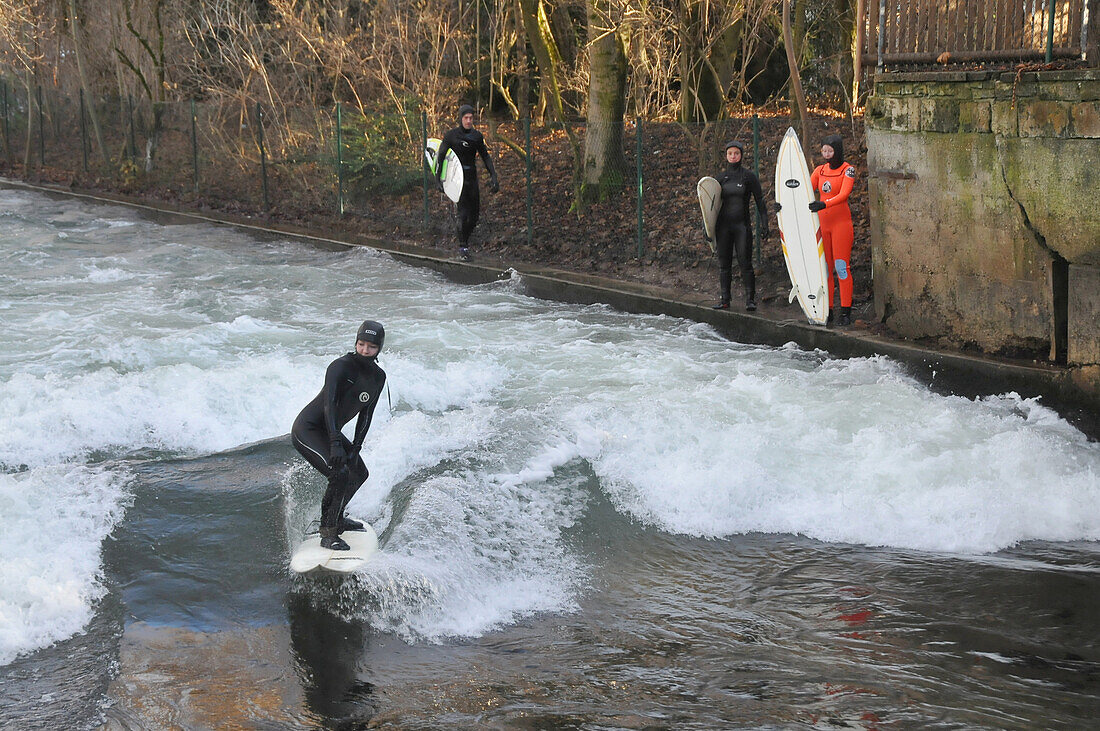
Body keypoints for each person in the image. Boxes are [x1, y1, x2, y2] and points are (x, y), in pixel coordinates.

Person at [291, 321, 387, 550]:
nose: (365, 350)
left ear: (379, 348)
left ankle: (338, 517)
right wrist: (335, 443)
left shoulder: (378, 377)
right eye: (361, 344)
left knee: (359, 472)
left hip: (330, 430)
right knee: (340, 473)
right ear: (355, 342)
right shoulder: (340, 367)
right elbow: (330, 406)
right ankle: (328, 531)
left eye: (371, 346)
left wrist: (356, 447)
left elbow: (366, 415)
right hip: (309, 428)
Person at [434, 104, 499, 261]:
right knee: (463, 214)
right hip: (456, 178)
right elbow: (441, 157)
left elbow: (485, 156)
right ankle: (463, 247)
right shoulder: (451, 136)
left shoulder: (477, 136)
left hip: (472, 177)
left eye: (471, 118)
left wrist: (494, 177)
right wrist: (438, 179)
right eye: (466, 118)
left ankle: (465, 240)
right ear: (460, 119)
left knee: (475, 216)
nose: (469, 121)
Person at [712, 140, 768, 311]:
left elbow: (760, 200)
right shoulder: (720, 178)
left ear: (741, 155)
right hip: (723, 227)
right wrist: (706, 227)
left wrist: (765, 223)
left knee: (745, 263)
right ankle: (725, 299)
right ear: (726, 156)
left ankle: (750, 300)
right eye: (730, 153)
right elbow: (709, 205)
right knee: (724, 264)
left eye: (736, 153)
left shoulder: (748, 176)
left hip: (742, 226)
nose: (733, 156)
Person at [810, 134, 857, 326]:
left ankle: (845, 310)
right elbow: (805, 188)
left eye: (830, 151)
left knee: (841, 268)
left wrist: (823, 203)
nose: (827, 155)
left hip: (841, 226)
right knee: (826, 269)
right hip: (823, 225)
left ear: (837, 150)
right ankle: (827, 309)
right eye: (824, 151)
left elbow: (844, 194)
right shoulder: (820, 171)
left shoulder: (848, 170)